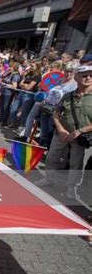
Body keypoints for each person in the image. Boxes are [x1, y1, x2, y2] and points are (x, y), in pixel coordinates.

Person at [36, 65, 92, 199]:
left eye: (90, 75)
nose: (88, 78)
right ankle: (48, 179)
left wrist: (79, 131)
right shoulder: (68, 95)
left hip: (82, 137)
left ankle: (72, 188)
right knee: (51, 157)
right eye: (84, 75)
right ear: (76, 77)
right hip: (61, 134)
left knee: (77, 164)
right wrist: (60, 129)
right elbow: (56, 114)